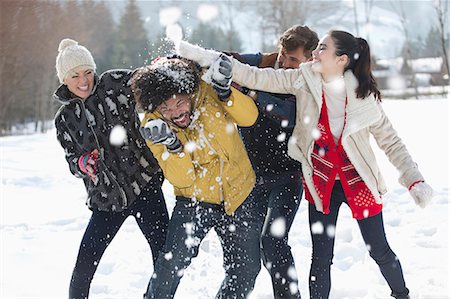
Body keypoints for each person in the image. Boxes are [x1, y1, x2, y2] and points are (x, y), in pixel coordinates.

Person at [177, 30, 434, 299]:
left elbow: (391, 142)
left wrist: (413, 179)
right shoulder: (304, 78)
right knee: (322, 258)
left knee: (378, 249)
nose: (315, 53)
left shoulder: (362, 97)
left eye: (323, 48)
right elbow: (257, 75)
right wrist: (203, 57)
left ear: (341, 59)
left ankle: (402, 294)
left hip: (359, 182)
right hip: (321, 183)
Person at [131, 56, 264, 299]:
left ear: (189, 93)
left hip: (239, 194)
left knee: (246, 271)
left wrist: (226, 94)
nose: (176, 113)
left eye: (180, 103)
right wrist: (173, 146)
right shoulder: (154, 126)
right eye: (166, 109)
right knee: (169, 268)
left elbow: (250, 117)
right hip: (194, 201)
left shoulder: (209, 92)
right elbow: (183, 180)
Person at [53, 38, 169, 299]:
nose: (84, 81)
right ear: (64, 80)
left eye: (87, 72)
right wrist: (84, 163)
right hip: (106, 199)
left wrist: (164, 65)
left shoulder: (114, 84)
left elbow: (148, 81)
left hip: (144, 185)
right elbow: (72, 160)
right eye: (75, 76)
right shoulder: (65, 120)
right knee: (84, 265)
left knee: (164, 258)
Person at [226, 25, 318, 299]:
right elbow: (228, 59)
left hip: (287, 176)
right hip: (250, 178)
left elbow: (287, 115)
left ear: (309, 61)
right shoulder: (263, 63)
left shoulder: (308, 83)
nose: (284, 64)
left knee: (273, 241)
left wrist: (250, 92)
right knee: (244, 253)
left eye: (293, 61)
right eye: (283, 56)